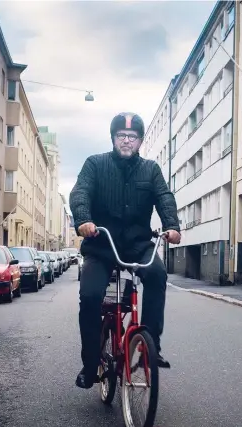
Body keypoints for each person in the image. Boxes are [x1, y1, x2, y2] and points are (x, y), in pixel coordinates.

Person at [69, 112, 182, 389]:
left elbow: (164, 197)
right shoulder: (95, 164)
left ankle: (150, 345)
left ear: (140, 141)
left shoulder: (151, 170)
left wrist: (172, 226)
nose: (127, 141)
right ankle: (90, 362)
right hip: (101, 244)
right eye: (122, 136)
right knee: (91, 294)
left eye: (132, 137)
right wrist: (83, 220)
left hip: (137, 244)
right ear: (113, 138)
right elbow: (80, 192)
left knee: (157, 275)